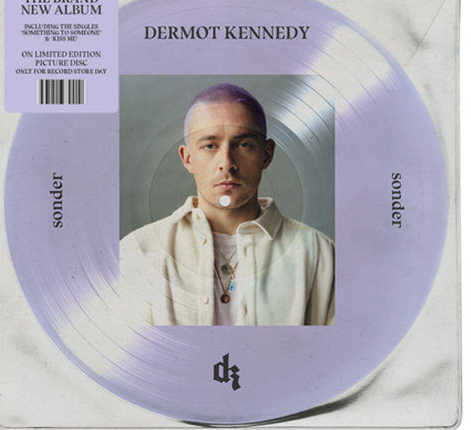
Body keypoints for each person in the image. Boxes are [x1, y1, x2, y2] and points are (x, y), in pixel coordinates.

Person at [119, 83, 335, 326]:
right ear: (187, 159)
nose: (227, 163)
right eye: (210, 146)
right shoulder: (135, 252)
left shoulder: (321, 254)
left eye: (243, 145)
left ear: (266, 155)